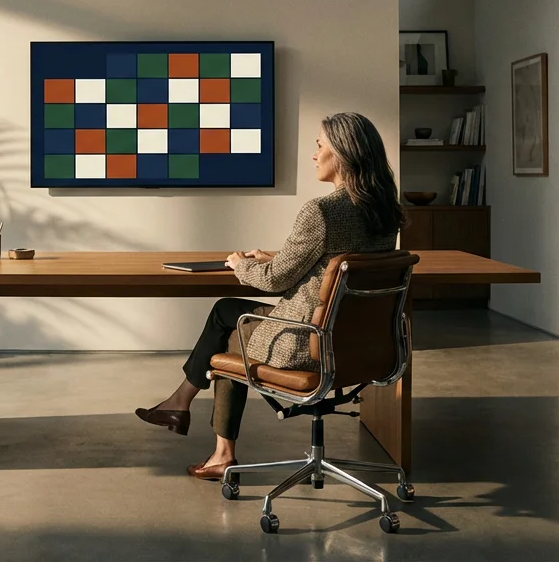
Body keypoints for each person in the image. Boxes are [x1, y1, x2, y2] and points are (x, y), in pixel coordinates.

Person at [135, 112, 406, 480]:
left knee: (230, 339)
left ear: (342, 154)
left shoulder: (321, 211)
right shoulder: (386, 210)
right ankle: (180, 403)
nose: (313, 155)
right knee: (226, 309)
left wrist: (238, 264)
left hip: (307, 342)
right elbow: (343, 263)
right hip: (362, 344)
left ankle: (219, 452)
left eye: (319, 146)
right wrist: (274, 255)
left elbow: (276, 282)